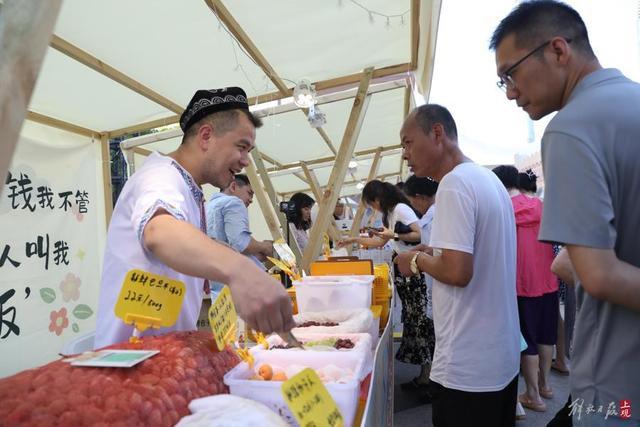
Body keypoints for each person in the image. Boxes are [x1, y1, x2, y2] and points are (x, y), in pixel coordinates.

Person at [492, 1, 640, 425]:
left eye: (511, 73)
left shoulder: (570, 127)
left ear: (558, 50)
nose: (510, 92)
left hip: (617, 386)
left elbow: (599, 274)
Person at [95, 87, 294, 348]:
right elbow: (160, 232)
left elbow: (192, 239)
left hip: (162, 359)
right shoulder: (160, 177)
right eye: (242, 147)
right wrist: (240, 271)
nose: (246, 161)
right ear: (206, 136)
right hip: (131, 368)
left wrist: (242, 261)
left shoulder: (188, 187)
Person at [396, 104, 520, 426]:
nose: (405, 155)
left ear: (437, 133)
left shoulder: (453, 185)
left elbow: (457, 272)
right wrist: (433, 250)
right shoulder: (488, 181)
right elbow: (476, 256)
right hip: (500, 358)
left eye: (408, 143)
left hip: (467, 367)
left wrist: (418, 260)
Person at [339, 180, 433, 392]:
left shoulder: (401, 209)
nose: (373, 208)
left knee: (419, 320)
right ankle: (424, 375)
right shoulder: (390, 213)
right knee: (413, 320)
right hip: (405, 268)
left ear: (377, 198)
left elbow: (419, 234)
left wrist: (395, 235)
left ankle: (428, 377)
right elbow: (381, 242)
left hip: (414, 270)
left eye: (371, 204)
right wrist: (354, 239)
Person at [493, 164, 558, 414]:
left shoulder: (504, 209)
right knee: (545, 335)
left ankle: (532, 395)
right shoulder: (540, 206)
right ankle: (545, 386)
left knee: (527, 339)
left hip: (520, 284)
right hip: (548, 279)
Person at [206, 174, 273, 295]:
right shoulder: (234, 202)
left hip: (219, 288)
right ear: (233, 187)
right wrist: (264, 246)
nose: (251, 199)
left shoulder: (209, 207)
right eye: (249, 193)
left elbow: (227, 248)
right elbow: (241, 243)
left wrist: (254, 254)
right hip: (240, 288)